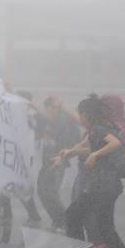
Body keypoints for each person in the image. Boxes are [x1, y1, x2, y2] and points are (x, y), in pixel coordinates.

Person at [55, 94, 125, 248]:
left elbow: (114, 144)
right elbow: (91, 147)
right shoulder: (100, 129)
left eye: (81, 114)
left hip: (102, 185)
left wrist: (94, 155)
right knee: (105, 226)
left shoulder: (98, 129)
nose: (80, 118)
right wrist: (69, 153)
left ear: (86, 114)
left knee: (73, 215)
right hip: (107, 185)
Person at [35, 95, 82, 230]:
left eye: (54, 107)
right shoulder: (44, 121)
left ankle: (63, 221)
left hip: (58, 159)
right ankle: (59, 220)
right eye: (49, 107)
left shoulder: (64, 121)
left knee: (49, 191)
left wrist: (64, 156)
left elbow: (76, 141)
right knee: (43, 191)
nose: (50, 110)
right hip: (47, 160)